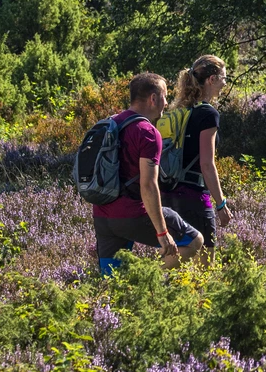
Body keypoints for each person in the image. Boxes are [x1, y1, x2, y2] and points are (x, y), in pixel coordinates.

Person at [93, 72, 205, 276]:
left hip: (102, 215)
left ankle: (118, 299)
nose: (166, 102)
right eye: (165, 96)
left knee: (112, 279)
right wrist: (162, 233)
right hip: (132, 214)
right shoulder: (148, 132)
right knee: (194, 240)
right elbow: (148, 186)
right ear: (153, 98)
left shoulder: (110, 124)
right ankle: (146, 278)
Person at [158, 55, 233, 252]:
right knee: (206, 259)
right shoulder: (208, 114)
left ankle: (154, 279)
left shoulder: (180, 111)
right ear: (212, 79)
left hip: (168, 193)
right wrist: (220, 204)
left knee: (177, 252)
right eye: (224, 78)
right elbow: (207, 164)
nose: (225, 83)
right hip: (194, 195)